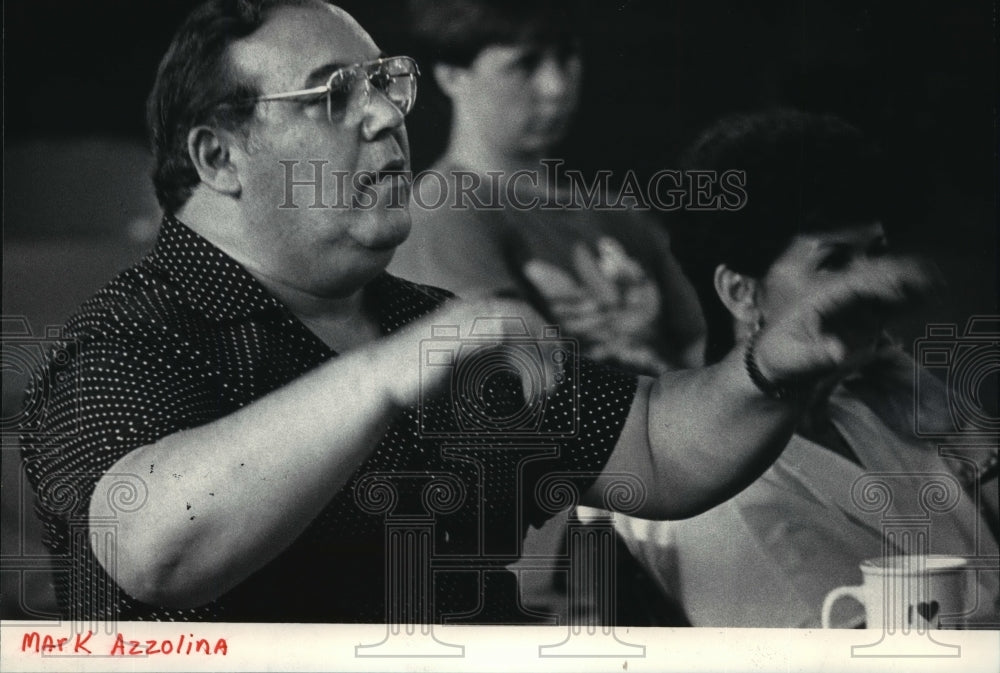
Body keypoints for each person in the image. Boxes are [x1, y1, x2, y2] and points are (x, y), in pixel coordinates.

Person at [19, 1, 932, 624]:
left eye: (386, 84)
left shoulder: (423, 316)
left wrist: (773, 367)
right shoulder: (125, 342)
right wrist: (384, 371)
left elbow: (653, 451)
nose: (385, 117)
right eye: (337, 94)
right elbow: (148, 550)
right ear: (220, 156)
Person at [614, 109, 1000, 628]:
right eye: (835, 262)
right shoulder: (712, 487)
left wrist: (965, 429)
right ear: (740, 292)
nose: (875, 287)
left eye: (877, 254)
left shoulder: (871, 409)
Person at [389, 0, 705, 375]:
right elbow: (505, 386)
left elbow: (703, 346)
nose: (556, 86)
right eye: (526, 64)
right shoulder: (442, 211)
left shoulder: (619, 214)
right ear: (452, 76)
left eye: (567, 56)